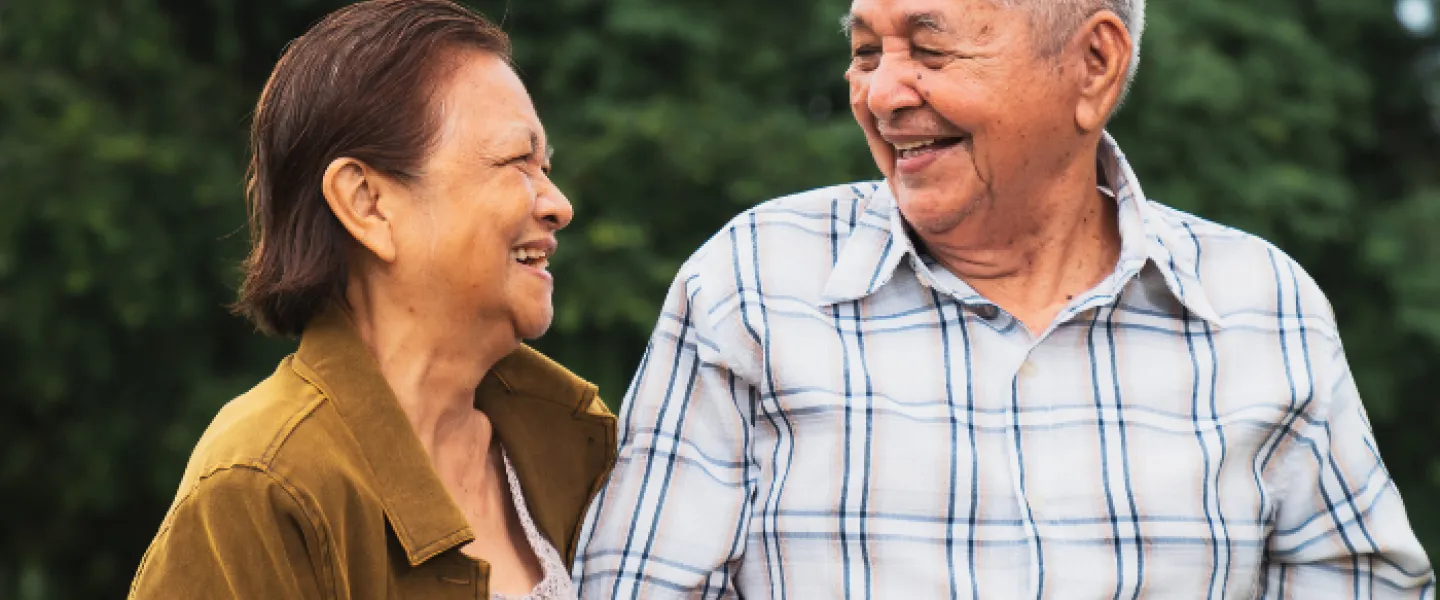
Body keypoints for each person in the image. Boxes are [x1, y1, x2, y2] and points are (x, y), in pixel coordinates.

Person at [574, 0, 1435, 597]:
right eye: (866, 50)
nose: (880, 93)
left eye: (931, 47)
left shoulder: (1261, 307)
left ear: (1093, 64)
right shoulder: (752, 288)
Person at [128, 1, 614, 598]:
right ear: (368, 204)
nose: (557, 203)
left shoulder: (575, 444)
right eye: (518, 161)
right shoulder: (264, 485)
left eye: (545, 167)